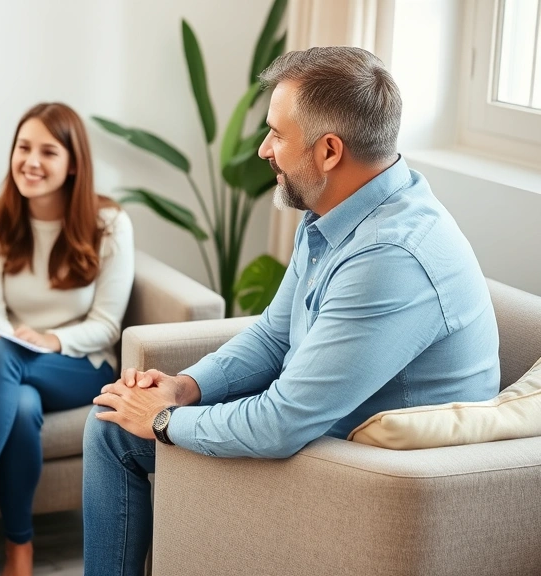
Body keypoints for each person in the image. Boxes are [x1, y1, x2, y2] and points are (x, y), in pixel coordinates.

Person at [84, 46, 500, 576]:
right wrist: (182, 388)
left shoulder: (389, 256)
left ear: (329, 151)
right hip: (324, 427)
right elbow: (274, 336)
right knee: (114, 422)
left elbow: (281, 422)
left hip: (368, 475)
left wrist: (164, 421)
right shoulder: (340, 209)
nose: (263, 149)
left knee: (126, 429)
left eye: (277, 135)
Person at [0, 102, 134, 575]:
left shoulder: (109, 224)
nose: (30, 161)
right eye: (23, 147)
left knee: (10, 357)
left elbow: (107, 325)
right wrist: (14, 340)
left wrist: (50, 339)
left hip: (79, 365)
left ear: (73, 163)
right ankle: (20, 548)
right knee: (23, 404)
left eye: (47, 151)